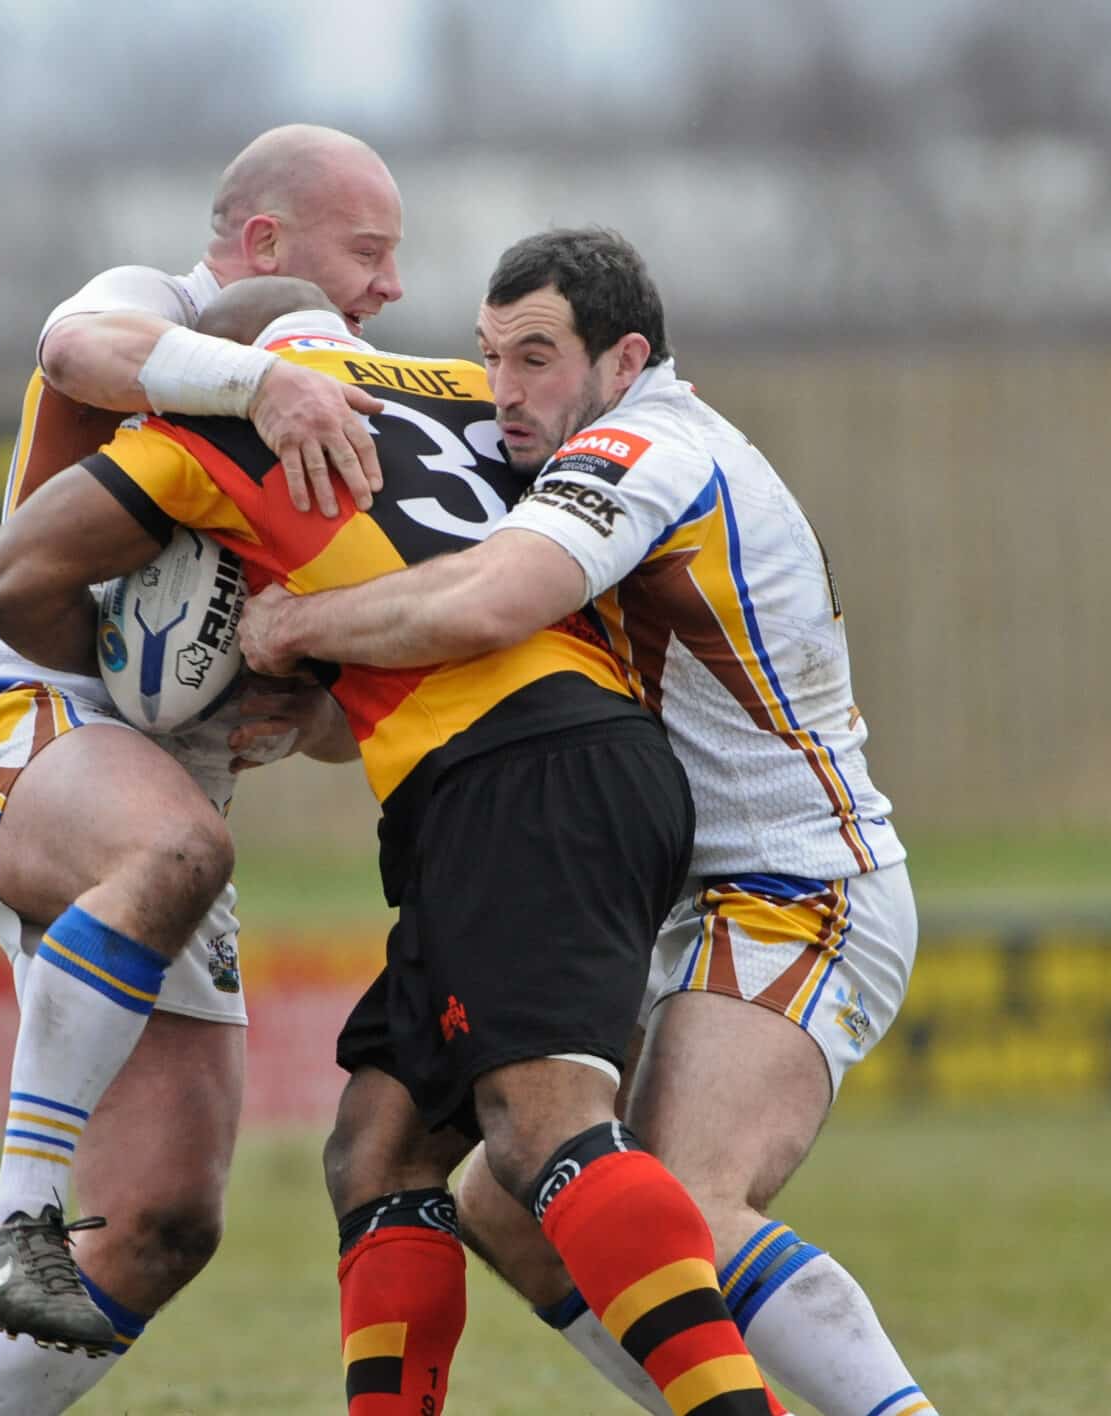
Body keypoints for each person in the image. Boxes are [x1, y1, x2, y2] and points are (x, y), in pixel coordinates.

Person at [0, 274, 787, 1416]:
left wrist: (141, 686)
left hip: (515, 778)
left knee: (544, 1131)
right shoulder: (476, 396)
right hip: (572, 770)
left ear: (226, 363)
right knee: (379, 1149)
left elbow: (6, 576)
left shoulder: (207, 429)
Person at [239, 228, 939, 1416]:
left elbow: (491, 597)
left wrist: (301, 625)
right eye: (490, 357)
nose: (506, 393)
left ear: (624, 358)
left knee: (687, 1205)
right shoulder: (596, 446)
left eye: (536, 358)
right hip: (691, 892)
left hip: (798, 886)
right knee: (510, 1210)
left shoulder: (645, 446)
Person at [0, 125, 402, 1416]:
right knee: (177, 848)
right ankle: (17, 1206)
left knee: (167, 1222)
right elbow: (72, 351)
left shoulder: (345, 412)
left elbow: (346, 725)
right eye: (371, 251)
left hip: (165, 794)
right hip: (19, 728)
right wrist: (255, 387)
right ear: (263, 242)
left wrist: (291, 684)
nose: (393, 287)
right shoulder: (155, 308)